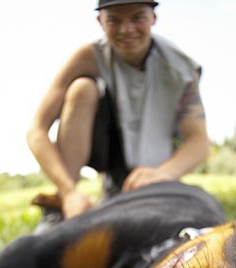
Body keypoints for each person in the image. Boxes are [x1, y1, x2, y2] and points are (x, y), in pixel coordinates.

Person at [26, 0, 210, 222]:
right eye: (114, 20)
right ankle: (63, 208)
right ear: (100, 21)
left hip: (156, 172)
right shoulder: (87, 57)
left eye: (137, 18)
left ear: (153, 17)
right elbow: (36, 131)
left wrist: (163, 173)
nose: (126, 30)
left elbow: (199, 141)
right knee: (82, 88)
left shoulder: (181, 68)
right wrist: (68, 192)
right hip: (110, 159)